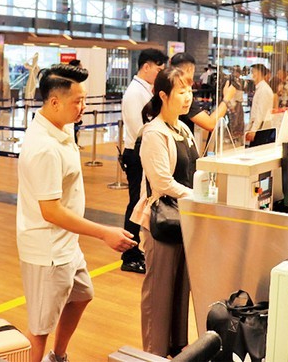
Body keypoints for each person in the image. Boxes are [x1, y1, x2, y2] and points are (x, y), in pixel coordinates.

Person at [17, 64, 135, 362]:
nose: (82, 107)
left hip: (66, 243)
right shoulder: (44, 148)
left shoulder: (61, 126)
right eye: (77, 101)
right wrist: (104, 232)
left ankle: (58, 356)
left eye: (84, 100)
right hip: (47, 250)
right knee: (39, 328)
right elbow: (51, 212)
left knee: (82, 294)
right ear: (54, 102)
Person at [130, 67, 197, 357]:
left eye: (189, 90)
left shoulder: (182, 128)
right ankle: (154, 352)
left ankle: (176, 347)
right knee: (159, 292)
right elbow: (161, 181)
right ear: (163, 95)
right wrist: (199, 196)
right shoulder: (154, 132)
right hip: (162, 220)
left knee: (180, 288)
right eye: (181, 91)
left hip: (185, 217)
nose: (187, 97)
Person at [120, 49, 166, 274]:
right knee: (135, 203)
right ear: (146, 67)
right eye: (158, 69)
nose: (160, 74)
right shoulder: (134, 93)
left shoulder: (144, 90)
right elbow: (140, 129)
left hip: (141, 152)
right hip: (136, 154)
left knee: (140, 201)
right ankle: (129, 254)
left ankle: (134, 249)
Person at [169, 53, 237, 137]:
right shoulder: (182, 98)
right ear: (190, 70)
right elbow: (210, 124)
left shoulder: (166, 87)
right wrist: (227, 98)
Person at [245, 64, 273, 144]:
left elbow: (260, 112)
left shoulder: (264, 89)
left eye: (253, 72)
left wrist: (253, 130)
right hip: (259, 127)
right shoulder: (260, 88)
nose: (252, 74)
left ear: (260, 73)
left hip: (261, 128)